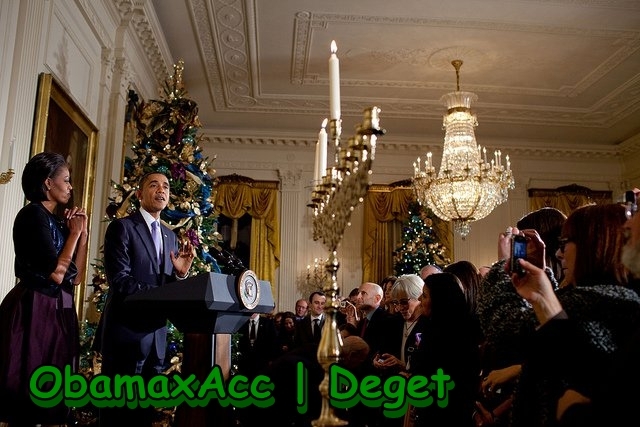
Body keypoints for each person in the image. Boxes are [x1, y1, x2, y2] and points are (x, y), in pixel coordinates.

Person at [502, 203, 640, 427]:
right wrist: (542, 294)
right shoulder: (604, 300)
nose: (558, 253)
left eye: (565, 243)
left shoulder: (602, 305)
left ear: (593, 244)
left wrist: (502, 265)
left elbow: (506, 334)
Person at [98, 171, 195, 426]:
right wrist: (160, 294)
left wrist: (180, 275)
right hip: (125, 336)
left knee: (144, 415)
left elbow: (167, 290)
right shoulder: (122, 228)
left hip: (155, 338)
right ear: (140, 194)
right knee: (118, 414)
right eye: (154, 185)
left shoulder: (170, 236)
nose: (161, 190)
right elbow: (120, 280)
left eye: (165, 186)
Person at [0, 152, 89, 425]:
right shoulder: (32, 216)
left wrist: (81, 234)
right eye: (66, 180)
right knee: (28, 384)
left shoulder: (57, 221)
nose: (71, 186)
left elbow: (76, 278)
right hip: (34, 309)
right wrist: (72, 234)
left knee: (53, 388)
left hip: (58, 308)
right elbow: (56, 273)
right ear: (48, 183)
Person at [410, 273, 482, 427]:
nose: (419, 300)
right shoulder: (429, 326)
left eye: (424, 295)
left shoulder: (460, 335)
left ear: (440, 300)